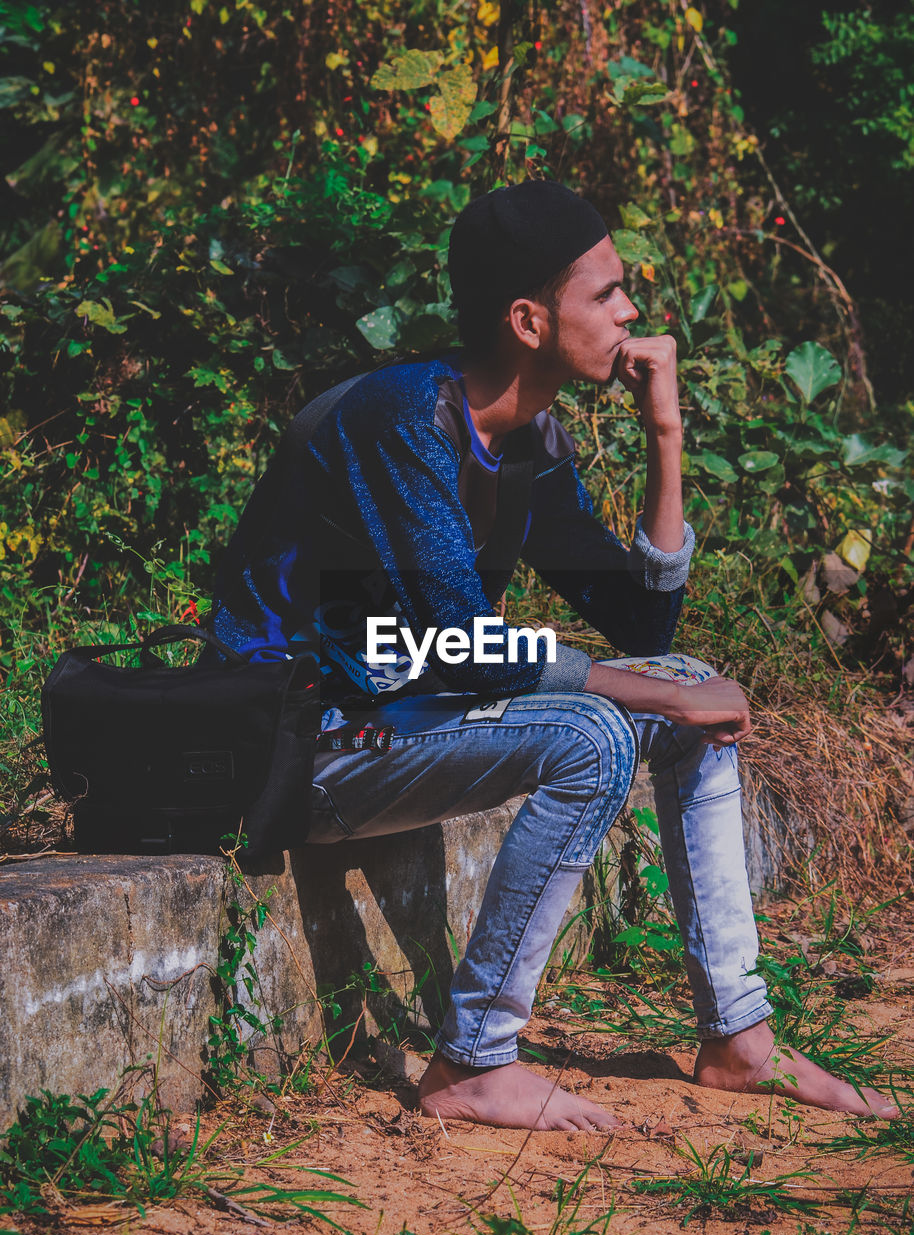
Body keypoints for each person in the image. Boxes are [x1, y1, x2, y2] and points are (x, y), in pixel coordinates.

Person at [210, 181, 897, 1130]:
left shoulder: (529, 441)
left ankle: (739, 1038)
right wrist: (633, 697)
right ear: (529, 320)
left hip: (403, 719)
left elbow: (641, 627)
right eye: (608, 293)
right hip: (309, 740)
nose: (631, 313)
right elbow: (451, 642)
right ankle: (474, 1062)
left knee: (684, 683)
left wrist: (666, 435)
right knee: (597, 734)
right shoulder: (401, 420)